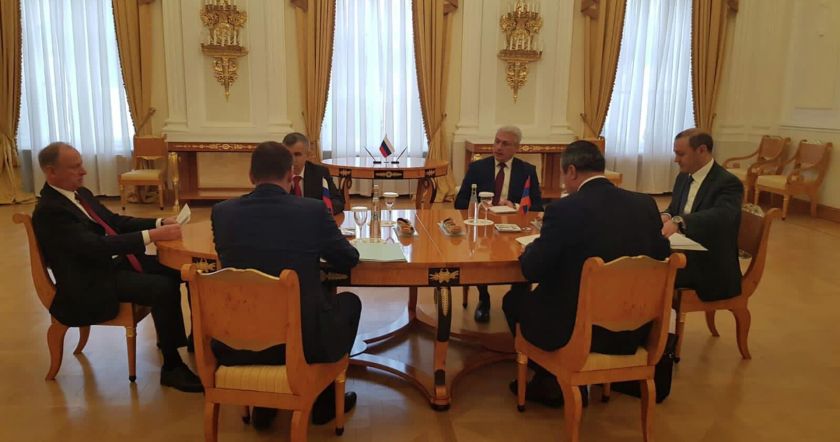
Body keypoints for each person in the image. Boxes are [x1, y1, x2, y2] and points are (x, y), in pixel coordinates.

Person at [502, 140, 670, 406]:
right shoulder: (644, 204)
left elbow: (533, 269)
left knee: (514, 300)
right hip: (634, 328)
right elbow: (661, 253)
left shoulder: (563, 210)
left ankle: (550, 378)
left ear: (571, 171)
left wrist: (531, 249)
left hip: (577, 331)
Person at [211, 141, 361, 430]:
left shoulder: (222, 212)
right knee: (348, 303)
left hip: (237, 341)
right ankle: (324, 401)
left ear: (251, 177)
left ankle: (265, 403)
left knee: (266, 300)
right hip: (301, 344)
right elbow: (348, 259)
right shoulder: (312, 211)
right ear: (292, 176)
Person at [31, 142, 202, 392]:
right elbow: (95, 246)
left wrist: (159, 222)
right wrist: (152, 236)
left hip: (110, 265)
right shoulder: (50, 211)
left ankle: (193, 337)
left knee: (184, 269)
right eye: (75, 167)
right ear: (51, 172)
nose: (83, 171)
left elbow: (114, 221)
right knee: (162, 287)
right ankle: (172, 367)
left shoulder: (80, 194)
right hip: (89, 281)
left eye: (81, 164)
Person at [454, 125, 543, 323]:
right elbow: (459, 202)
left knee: (525, 256)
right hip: (483, 228)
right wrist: (480, 206)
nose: (499, 147)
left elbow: (537, 206)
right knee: (480, 257)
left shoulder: (527, 171)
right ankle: (484, 299)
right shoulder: (478, 168)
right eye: (496, 141)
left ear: (516, 148)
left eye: (505, 144)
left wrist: (515, 205)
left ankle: (517, 299)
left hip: (514, 229)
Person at [661, 129, 743, 301]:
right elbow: (674, 208)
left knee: (653, 275)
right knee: (641, 262)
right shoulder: (683, 177)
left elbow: (722, 216)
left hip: (710, 265)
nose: (676, 160)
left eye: (681, 154)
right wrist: (666, 216)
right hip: (684, 253)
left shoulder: (728, 183)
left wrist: (680, 221)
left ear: (702, 150)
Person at [282, 132, 345, 215]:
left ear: (307, 155)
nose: (292, 159)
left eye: (297, 154)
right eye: (288, 154)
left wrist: (318, 211)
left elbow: (338, 202)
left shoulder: (320, 172)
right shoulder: (278, 175)